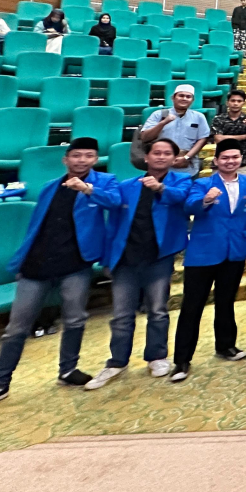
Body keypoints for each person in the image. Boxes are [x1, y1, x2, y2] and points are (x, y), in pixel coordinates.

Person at [0, 138, 121, 416]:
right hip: (37, 263)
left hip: (76, 263)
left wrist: (87, 189)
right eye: (76, 155)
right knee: (16, 328)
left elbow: (115, 202)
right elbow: (36, 226)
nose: (82, 160)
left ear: (96, 160)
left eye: (88, 156)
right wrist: (21, 260)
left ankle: (68, 370)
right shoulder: (50, 186)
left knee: (75, 319)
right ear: (65, 159)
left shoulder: (105, 182)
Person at [85, 138, 192, 389]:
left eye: (167, 153)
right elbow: (113, 221)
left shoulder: (182, 181)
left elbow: (182, 199)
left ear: (174, 159)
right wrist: (108, 259)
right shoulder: (127, 186)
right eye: (157, 153)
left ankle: (157, 356)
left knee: (157, 310)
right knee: (121, 315)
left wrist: (160, 187)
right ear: (146, 157)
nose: (161, 157)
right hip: (126, 257)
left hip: (159, 257)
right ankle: (117, 361)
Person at [169, 140, 246, 381]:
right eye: (225, 157)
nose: (230, 161)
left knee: (226, 301)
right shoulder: (202, 183)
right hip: (204, 253)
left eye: (235, 157)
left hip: (235, 250)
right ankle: (182, 360)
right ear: (216, 160)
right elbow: (189, 207)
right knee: (192, 306)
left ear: (242, 159)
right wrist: (206, 200)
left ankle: (226, 345)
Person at [138, 83, 210, 178]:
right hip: (160, 165)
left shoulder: (199, 117)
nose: (184, 99)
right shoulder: (158, 115)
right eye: (181, 95)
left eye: (188, 97)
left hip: (187, 167)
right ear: (173, 98)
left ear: (192, 100)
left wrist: (186, 157)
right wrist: (163, 123)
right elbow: (145, 137)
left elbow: (203, 139)